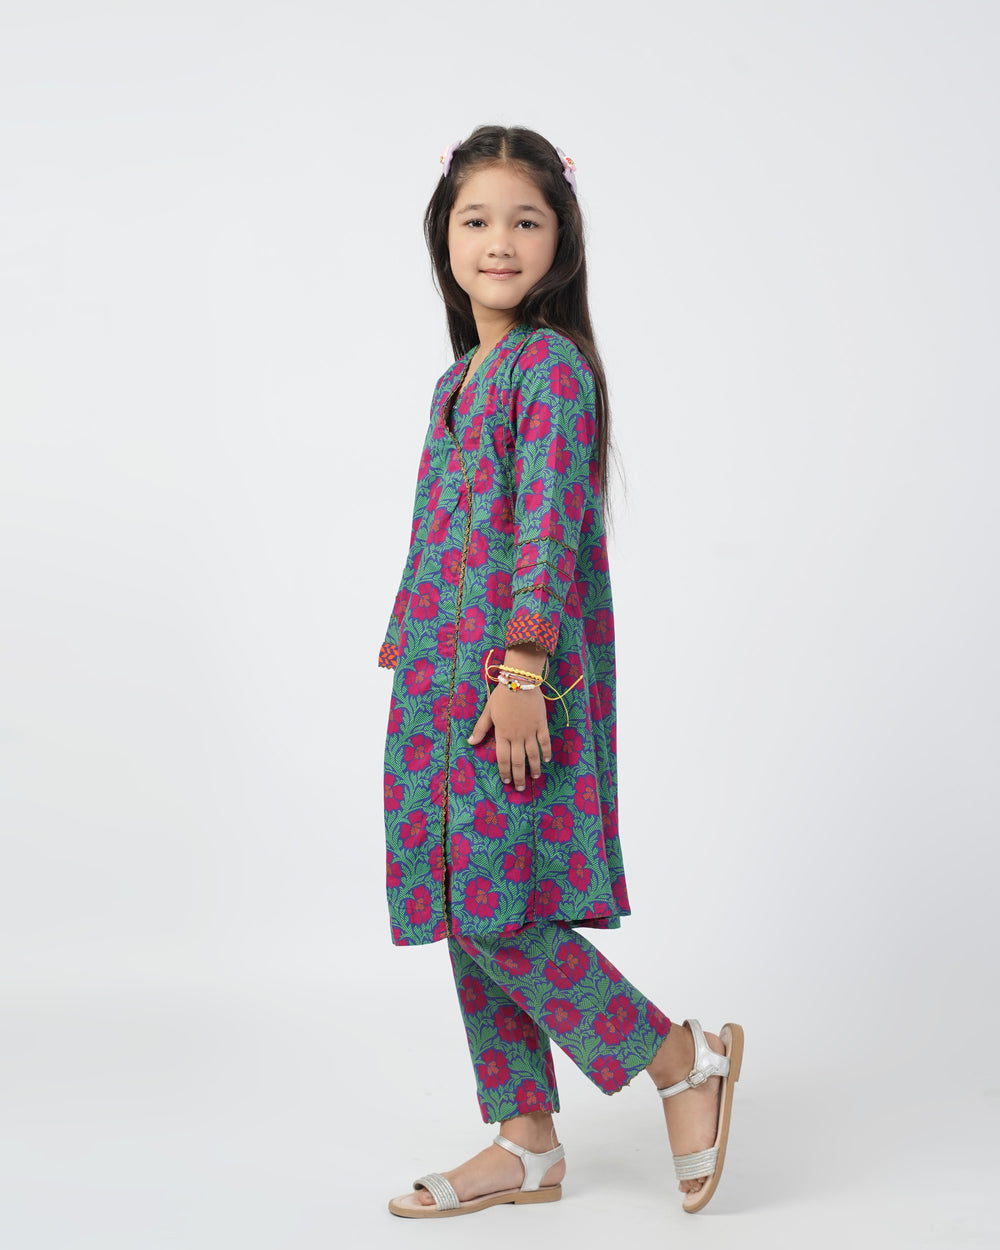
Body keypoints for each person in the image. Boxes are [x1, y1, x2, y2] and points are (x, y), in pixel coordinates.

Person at [378, 125, 743, 1218]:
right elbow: (438, 535)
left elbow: (546, 524)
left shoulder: (551, 369)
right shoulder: (457, 380)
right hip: (436, 686)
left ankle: (681, 1058)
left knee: (501, 906)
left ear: (560, 242)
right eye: (476, 219)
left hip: (509, 683)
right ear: (444, 239)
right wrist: (406, 652)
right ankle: (525, 1140)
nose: (499, 241)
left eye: (525, 220)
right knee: (463, 899)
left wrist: (523, 669)